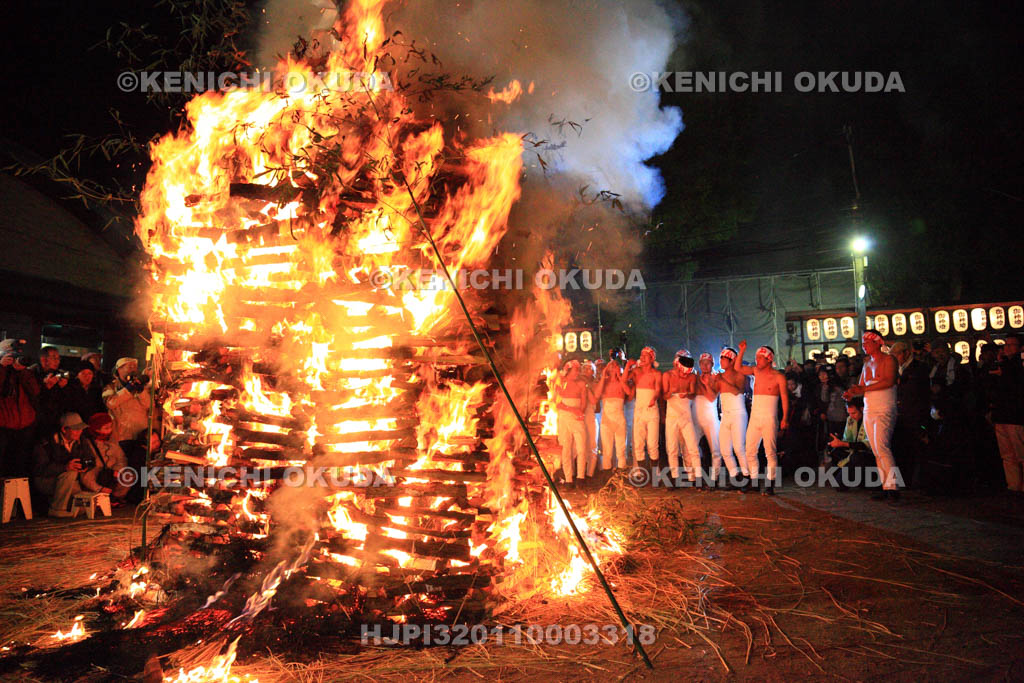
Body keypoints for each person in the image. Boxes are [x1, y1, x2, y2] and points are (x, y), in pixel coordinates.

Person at [844, 331, 901, 501]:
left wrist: (863, 389)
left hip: (884, 407)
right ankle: (886, 486)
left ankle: (893, 487)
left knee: (882, 446)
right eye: (862, 342)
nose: (864, 344)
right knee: (876, 449)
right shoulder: (867, 363)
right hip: (870, 408)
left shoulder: (889, 359)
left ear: (878, 342)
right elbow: (860, 386)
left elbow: (889, 381)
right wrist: (851, 393)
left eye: (867, 341)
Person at [733, 342, 789, 494]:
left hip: (770, 417)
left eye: (760, 358)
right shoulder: (756, 371)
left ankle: (770, 484)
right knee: (750, 450)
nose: (757, 360)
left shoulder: (779, 377)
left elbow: (784, 398)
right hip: (755, 416)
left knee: (770, 452)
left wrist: (785, 418)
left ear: (769, 359)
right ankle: (754, 481)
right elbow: (737, 368)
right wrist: (742, 350)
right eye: (757, 357)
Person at [31, 412, 91, 517]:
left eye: (81, 429)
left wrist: (85, 465)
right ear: (64, 429)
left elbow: (91, 460)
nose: (80, 432)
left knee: (81, 509)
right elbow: (40, 469)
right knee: (70, 473)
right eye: (76, 429)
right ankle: (57, 509)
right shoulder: (46, 444)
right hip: (47, 480)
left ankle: (55, 503)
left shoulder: (81, 441)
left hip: (70, 482)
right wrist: (65, 467)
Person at [890, 341, 930, 488]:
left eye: (896, 354)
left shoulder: (920, 368)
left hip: (914, 415)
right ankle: (904, 481)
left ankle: (918, 482)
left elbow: (923, 395)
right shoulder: (895, 369)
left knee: (916, 449)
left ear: (906, 353)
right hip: (899, 416)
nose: (894, 358)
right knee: (901, 449)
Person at [696, 352, 738, 483]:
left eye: (707, 363)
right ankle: (697, 477)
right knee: (692, 449)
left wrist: (705, 384)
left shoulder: (716, 377)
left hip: (710, 416)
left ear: (712, 364)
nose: (705, 365)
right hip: (696, 416)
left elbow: (711, 397)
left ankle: (714, 479)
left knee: (716, 450)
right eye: (702, 363)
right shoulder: (696, 376)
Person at [989, 334, 1024, 494]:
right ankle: (1014, 485)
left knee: (1020, 453)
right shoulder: (1002, 364)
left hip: (1015, 416)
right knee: (1007, 454)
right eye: (1006, 344)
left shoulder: (1017, 366)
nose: (1008, 348)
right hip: (1002, 415)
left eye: (1012, 345)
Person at [1, 338, 40, 477]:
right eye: (12, 355)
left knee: (20, 466)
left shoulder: (25, 373)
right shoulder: (2, 369)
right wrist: (2, 367)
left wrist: (22, 372)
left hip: (24, 426)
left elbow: (35, 391)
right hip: (4, 426)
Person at [663, 350, 700, 484]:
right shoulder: (667, 375)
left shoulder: (691, 376)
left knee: (691, 446)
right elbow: (664, 395)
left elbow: (693, 393)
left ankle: (696, 476)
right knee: (672, 448)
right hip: (672, 415)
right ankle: (674, 477)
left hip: (686, 415)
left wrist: (687, 393)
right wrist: (672, 392)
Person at [103, 357, 154, 453]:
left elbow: (149, 405)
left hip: (141, 433)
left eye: (135, 366)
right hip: (122, 434)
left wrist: (141, 391)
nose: (133, 369)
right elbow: (110, 403)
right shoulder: (111, 387)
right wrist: (129, 389)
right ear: (119, 369)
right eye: (129, 366)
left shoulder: (142, 386)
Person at [80, 413, 130, 505]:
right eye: (106, 428)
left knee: (128, 476)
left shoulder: (112, 442)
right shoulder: (87, 445)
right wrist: (99, 488)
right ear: (97, 429)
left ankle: (114, 498)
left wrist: (117, 471)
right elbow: (86, 474)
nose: (110, 430)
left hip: (111, 474)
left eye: (110, 427)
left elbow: (121, 459)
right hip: (96, 475)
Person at [596, 348, 632, 470]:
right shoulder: (604, 382)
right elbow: (597, 394)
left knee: (621, 449)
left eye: (616, 365)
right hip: (606, 421)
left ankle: (621, 475)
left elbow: (628, 392)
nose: (614, 366)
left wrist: (619, 377)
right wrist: (604, 374)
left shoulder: (622, 382)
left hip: (619, 419)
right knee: (607, 451)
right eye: (612, 365)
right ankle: (607, 476)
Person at [718, 346, 750, 484]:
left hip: (738, 414)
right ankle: (736, 476)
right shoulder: (720, 376)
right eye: (720, 358)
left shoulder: (739, 374)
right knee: (724, 449)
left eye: (723, 359)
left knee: (739, 447)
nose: (721, 361)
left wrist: (722, 381)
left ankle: (747, 476)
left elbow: (738, 391)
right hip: (725, 415)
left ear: (731, 361)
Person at [555, 360, 589, 487]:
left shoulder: (581, 384)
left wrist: (580, 412)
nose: (578, 372)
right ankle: (568, 479)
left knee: (581, 447)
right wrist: (572, 410)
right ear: (568, 370)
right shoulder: (560, 383)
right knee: (566, 448)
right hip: (564, 417)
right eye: (576, 370)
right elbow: (557, 402)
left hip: (577, 418)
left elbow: (584, 402)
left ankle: (581, 477)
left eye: (579, 369)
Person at [826, 397, 872, 490]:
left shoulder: (870, 420)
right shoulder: (850, 420)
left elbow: (868, 445)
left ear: (862, 409)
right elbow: (847, 440)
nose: (851, 416)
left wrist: (843, 444)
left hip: (868, 455)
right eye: (849, 413)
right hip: (852, 453)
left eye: (854, 413)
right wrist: (837, 443)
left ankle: (865, 481)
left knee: (857, 457)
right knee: (833, 448)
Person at [628, 347, 662, 472]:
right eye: (641, 354)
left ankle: (655, 473)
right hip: (639, 410)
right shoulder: (636, 371)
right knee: (638, 444)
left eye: (645, 355)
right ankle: (643, 474)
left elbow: (658, 390)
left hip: (652, 411)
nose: (642, 357)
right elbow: (624, 379)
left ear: (652, 358)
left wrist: (654, 398)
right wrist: (628, 366)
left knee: (652, 444)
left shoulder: (656, 374)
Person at [31, 346, 69, 442]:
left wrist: (63, 388)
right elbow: (32, 398)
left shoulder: (58, 374)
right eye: (54, 358)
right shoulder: (31, 374)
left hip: (54, 421)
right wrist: (45, 387)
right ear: (43, 359)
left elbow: (64, 400)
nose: (57, 361)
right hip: (35, 422)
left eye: (58, 358)